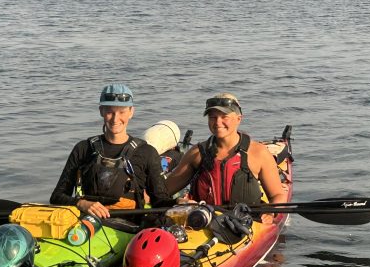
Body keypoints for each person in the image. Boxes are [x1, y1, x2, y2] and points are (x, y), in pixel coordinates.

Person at [49, 84, 173, 219]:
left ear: (131, 112)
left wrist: (179, 203)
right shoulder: (83, 148)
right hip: (89, 222)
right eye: (110, 112)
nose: (115, 119)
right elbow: (57, 197)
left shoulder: (147, 152)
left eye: (122, 112)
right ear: (101, 111)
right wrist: (81, 203)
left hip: (130, 225)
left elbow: (160, 201)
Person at [165, 93, 286, 223]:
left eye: (224, 117)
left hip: (248, 223)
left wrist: (271, 211)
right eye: (212, 117)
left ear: (239, 119)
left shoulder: (259, 153)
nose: (218, 122)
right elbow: (163, 191)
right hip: (204, 224)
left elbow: (277, 195)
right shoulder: (196, 154)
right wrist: (178, 201)